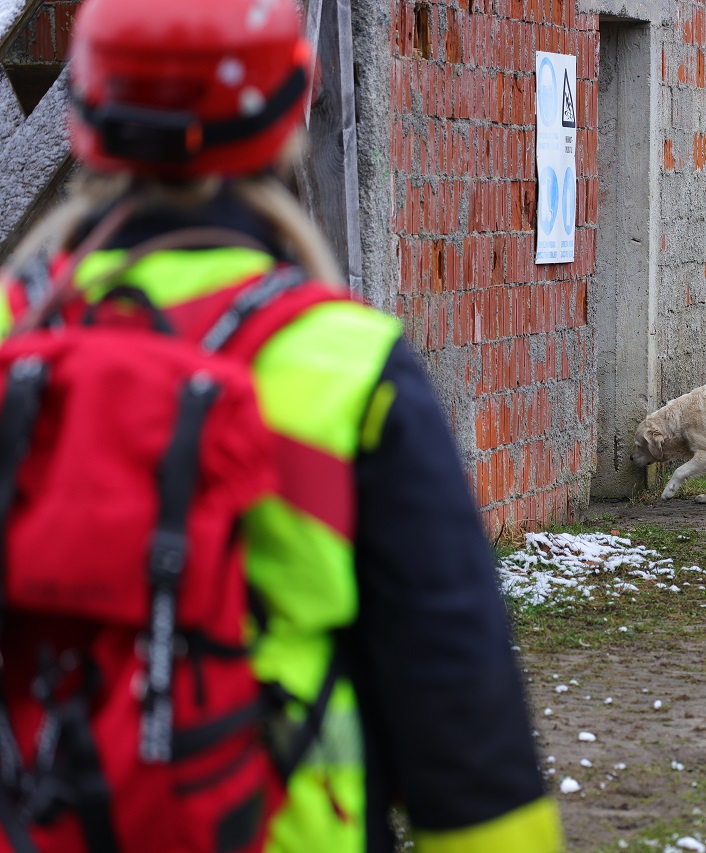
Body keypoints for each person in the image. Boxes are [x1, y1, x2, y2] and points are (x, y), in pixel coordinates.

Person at [0, 0, 563, 850]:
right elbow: (459, 706)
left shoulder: (14, 337)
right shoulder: (346, 363)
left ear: (86, 117)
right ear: (291, 109)